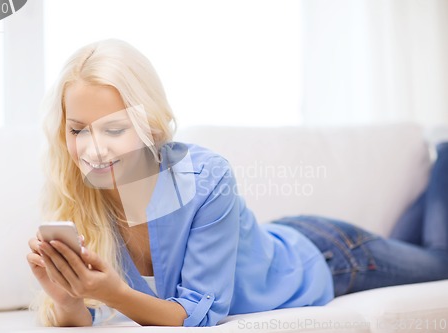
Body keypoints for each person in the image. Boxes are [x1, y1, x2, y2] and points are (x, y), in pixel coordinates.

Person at [26, 38, 448, 328]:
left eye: (113, 130)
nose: (92, 150)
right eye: (78, 130)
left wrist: (115, 293)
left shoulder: (206, 177)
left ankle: (443, 159)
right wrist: (69, 298)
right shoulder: (82, 193)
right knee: (419, 248)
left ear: (149, 126)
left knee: (440, 260)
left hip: (330, 256)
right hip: (276, 237)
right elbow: (92, 318)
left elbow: (200, 316)